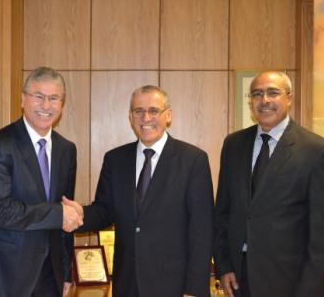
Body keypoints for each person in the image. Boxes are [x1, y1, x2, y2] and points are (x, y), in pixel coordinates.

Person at [65, 85, 214, 297]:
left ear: (168, 115)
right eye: (138, 111)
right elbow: (104, 211)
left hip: (175, 286)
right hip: (128, 283)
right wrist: (78, 214)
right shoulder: (115, 159)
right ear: (130, 117)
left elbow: (202, 230)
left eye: (154, 111)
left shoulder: (193, 160)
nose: (146, 117)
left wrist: (194, 290)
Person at [214, 71, 324, 297]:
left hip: (289, 282)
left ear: (289, 98)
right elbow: (223, 212)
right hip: (238, 279)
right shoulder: (234, 145)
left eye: (273, 93)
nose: (264, 100)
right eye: (257, 94)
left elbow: (323, 238)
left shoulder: (317, 152)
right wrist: (224, 266)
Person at [0, 67, 82, 297]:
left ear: (62, 105)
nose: (46, 106)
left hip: (50, 274)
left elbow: (64, 211)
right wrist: (57, 214)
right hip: (6, 271)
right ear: (23, 99)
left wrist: (66, 272)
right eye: (39, 96)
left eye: (54, 98)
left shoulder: (67, 150)